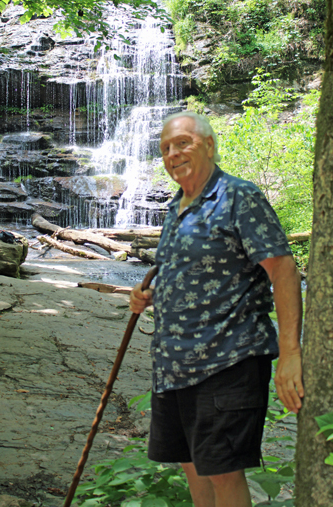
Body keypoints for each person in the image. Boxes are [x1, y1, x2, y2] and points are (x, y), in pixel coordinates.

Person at [129, 112, 304, 507]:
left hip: (227, 362)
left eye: (183, 143)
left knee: (223, 475)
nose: (173, 154)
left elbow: (284, 270)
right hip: (174, 369)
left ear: (209, 145)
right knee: (192, 470)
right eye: (165, 149)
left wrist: (291, 353)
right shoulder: (176, 209)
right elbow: (200, 273)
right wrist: (148, 295)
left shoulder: (238, 197)